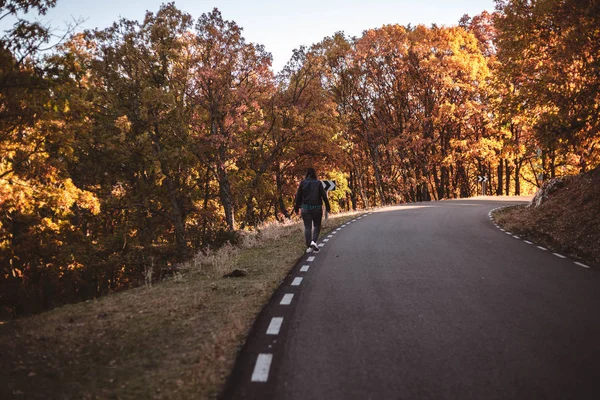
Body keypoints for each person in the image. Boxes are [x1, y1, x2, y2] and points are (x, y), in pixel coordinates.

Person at [293, 167, 331, 253]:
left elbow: (298, 196)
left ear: (307, 174)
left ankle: (309, 245)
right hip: (317, 208)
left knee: (307, 227)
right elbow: (324, 196)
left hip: (305, 208)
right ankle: (313, 241)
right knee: (317, 225)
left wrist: (296, 207)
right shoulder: (318, 183)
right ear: (315, 174)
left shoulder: (303, 183)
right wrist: (328, 206)